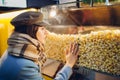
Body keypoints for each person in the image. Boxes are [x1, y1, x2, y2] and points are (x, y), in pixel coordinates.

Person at [0, 11, 79, 80]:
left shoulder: (15, 50)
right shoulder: (25, 66)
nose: (46, 32)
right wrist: (69, 64)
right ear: (31, 31)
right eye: (42, 29)